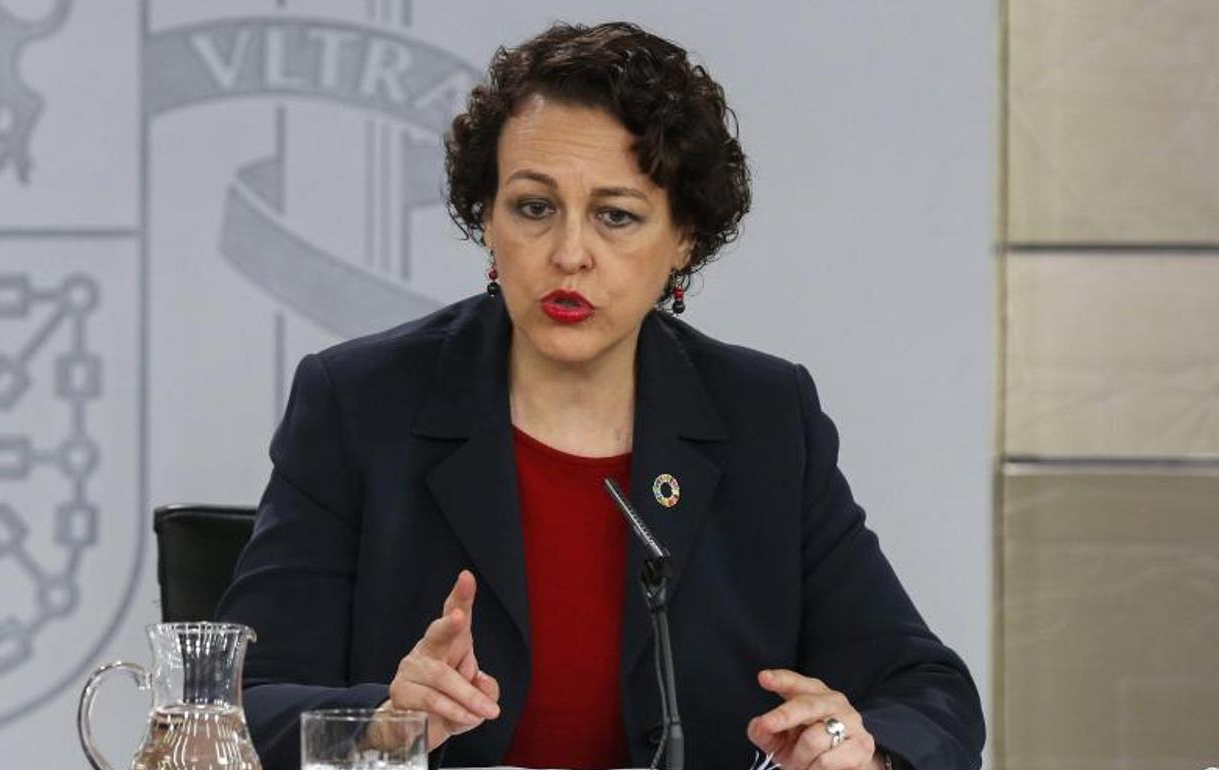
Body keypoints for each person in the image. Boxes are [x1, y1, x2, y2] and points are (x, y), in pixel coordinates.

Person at [216, 21, 984, 770]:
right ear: (486, 216)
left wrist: (860, 750)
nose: (569, 254)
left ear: (684, 237)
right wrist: (383, 729)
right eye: (534, 207)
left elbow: (929, 695)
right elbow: (235, 709)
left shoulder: (766, 418)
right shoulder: (360, 405)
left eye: (616, 216)